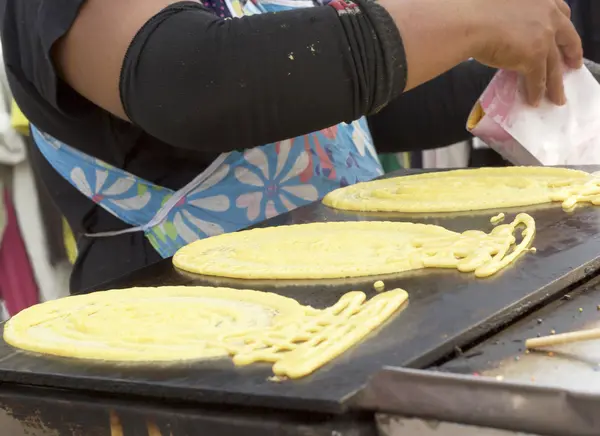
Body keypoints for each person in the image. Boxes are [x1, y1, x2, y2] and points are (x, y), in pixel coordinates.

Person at [0, 0, 584, 293]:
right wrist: (470, 20)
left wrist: (528, 80)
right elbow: (197, 81)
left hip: (355, 308)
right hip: (196, 350)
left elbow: (338, 106)